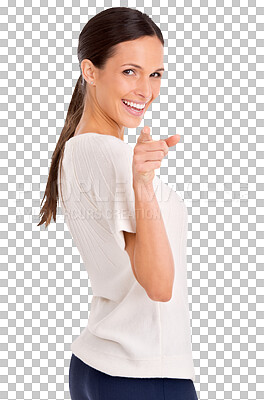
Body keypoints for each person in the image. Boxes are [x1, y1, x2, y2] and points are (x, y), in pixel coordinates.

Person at [37, 6, 199, 400]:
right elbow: (159, 285)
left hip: (99, 368)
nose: (146, 90)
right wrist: (143, 186)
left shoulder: (79, 149)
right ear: (90, 71)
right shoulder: (109, 155)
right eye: (130, 71)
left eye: (155, 74)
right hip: (144, 377)